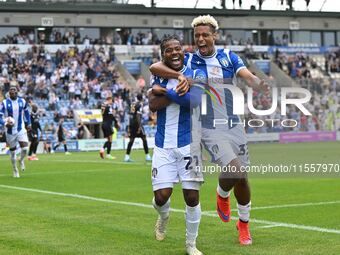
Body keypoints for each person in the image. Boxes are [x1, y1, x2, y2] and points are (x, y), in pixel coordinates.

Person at [150, 15, 269, 246]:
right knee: (234, 169)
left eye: (205, 35)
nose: (201, 39)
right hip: (208, 127)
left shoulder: (227, 57)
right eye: (197, 36)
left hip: (233, 123)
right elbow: (155, 66)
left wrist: (258, 83)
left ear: (215, 35)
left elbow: (247, 76)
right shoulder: (189, 61)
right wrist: (177, 76)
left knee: (242, 177)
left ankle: (243, 225)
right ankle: (222, 194)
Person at [148, 35, 206, 255]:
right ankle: (163, 216)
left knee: (192, 197)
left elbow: (194, 101)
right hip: (163, 145)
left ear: (184, 50)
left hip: (189, 143)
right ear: (163, 54)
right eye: (169, 50)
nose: (174, 53)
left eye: (177, 49)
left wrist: (167, 92)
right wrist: (179, 88)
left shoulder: (196, 68)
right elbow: (153, 105)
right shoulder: (158, 71)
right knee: (161, 197)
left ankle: (191, 245)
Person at [0, 85, 31, 178]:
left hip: (20, 129)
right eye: (11, 91)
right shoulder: (4, 103)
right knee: (13, 153)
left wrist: (28, 123)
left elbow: (26, 112)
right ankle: (15, 170)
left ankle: (21, 160)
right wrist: (5, 124)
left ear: (17, 92)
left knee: (25, 149)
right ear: (9, 93)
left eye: (14, 91)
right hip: (10, 131)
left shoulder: (22, 101)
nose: (12, 92)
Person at [124, 93, 151, 162]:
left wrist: (129, 125)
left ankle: (126, 157)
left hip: (131, 123)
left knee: (131, 140)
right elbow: (138, 116)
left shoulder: (133, 104)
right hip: (137, 123)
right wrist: (139, 126)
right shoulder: (140, 105)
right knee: (144, 139)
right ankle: (147, 156)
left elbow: (131, 115)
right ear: (142, 98)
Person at [99, 95, 118, 159]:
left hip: (103, 123)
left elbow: (103, 113)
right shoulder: (108, 106)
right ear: (109, 99)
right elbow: (111, 116)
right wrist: (116, 121)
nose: (112, 102)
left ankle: (104, 151)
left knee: (109, 140)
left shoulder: (102, 105)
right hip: (108, 124)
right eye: (111, 101)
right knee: (110, 140)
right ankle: (106, 152)